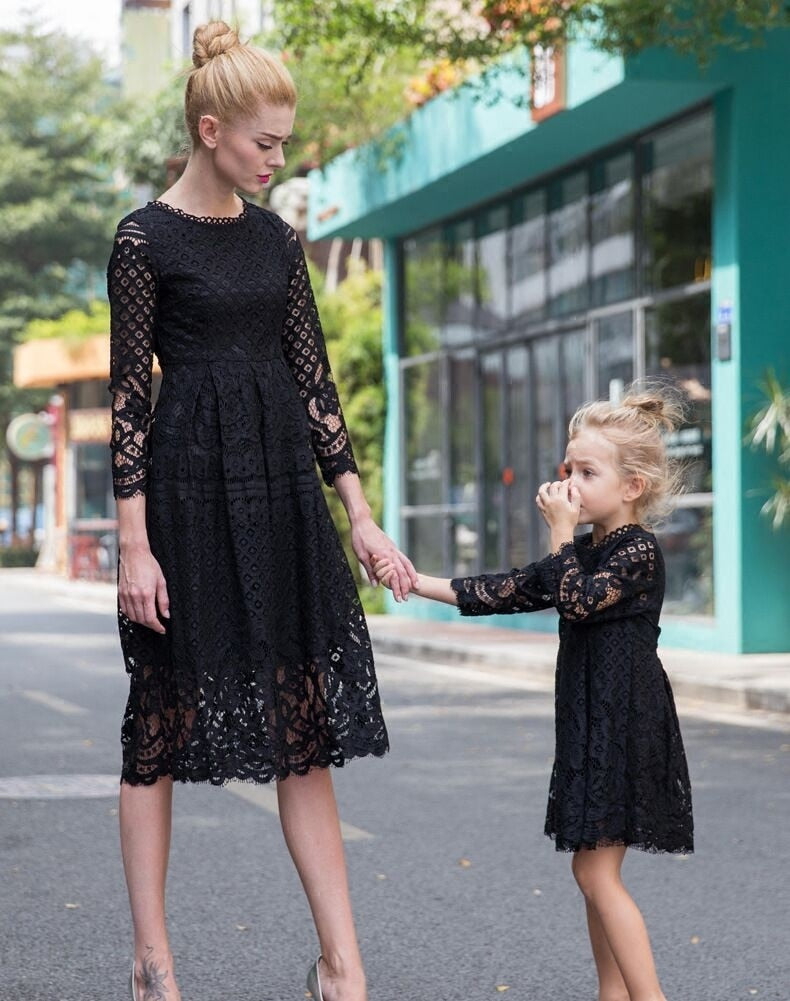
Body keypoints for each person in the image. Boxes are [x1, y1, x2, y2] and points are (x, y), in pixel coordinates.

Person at [107, 21, 416, 1001]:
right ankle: (154, 961)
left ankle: (343, 961)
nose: (278, 161)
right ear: (210, 129)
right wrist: (131, 547)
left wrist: (360, 515)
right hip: (186, 496)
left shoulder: (280, 242)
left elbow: (313, 381)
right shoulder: (142, 239)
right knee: (158, 724)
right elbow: (127, 399)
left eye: (283, 144)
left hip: (281, 490)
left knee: (301, 727)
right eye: (264, 144)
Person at [373, 385, 694, 1001]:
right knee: (592, 868)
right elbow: (501, 590)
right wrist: (412, 580)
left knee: (594, 869)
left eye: (587, 472)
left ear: (632, 486)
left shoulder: (636, 551)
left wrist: (561, 534)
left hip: (625, 721)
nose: (570, 482)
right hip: (590, 721)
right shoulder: (587, 550)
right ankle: (613, 993)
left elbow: (575, 601)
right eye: (568, 468)